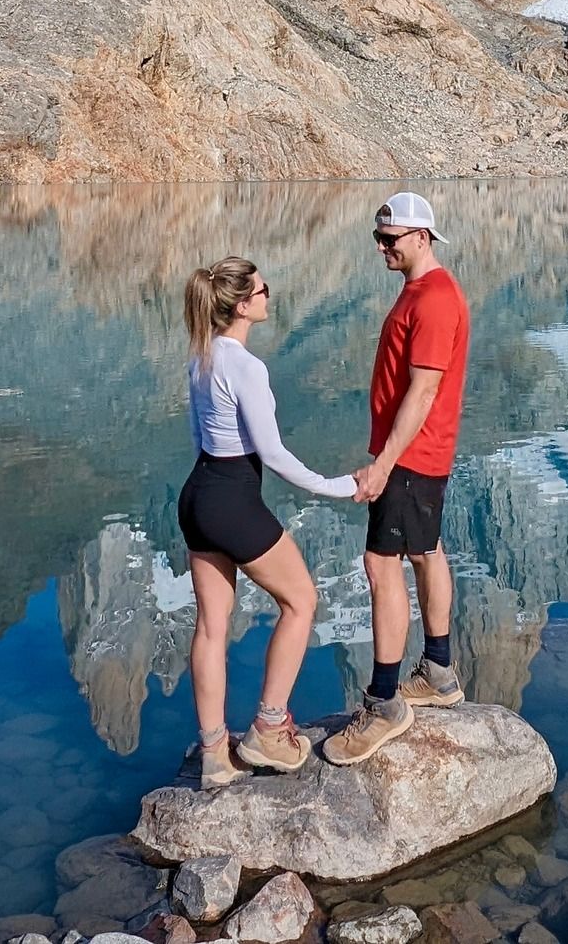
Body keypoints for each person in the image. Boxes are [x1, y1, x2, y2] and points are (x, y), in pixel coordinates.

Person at [181, 256, 358, 788]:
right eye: (262, 289)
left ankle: (215, 754)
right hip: (232, 499)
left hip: (198, 494)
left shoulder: (200, 356)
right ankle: (269, 728)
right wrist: (340, 486)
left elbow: (199, 434)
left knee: (212, 627)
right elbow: (274, 454)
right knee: (301, 601)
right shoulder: (246, 367)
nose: (268, 295)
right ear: (241, 305)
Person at [322, 192, 471, 767]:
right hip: (423, 456)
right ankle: (439, 671)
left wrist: (384, 462)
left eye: (391, 239)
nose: (382, 248)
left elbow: (425, 388)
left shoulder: (433, 299)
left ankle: (384, 703)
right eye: (378, 239)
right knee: (427, 551)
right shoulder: (425, 291)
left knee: (381, 566)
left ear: (422, 237)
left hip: (410, 457)